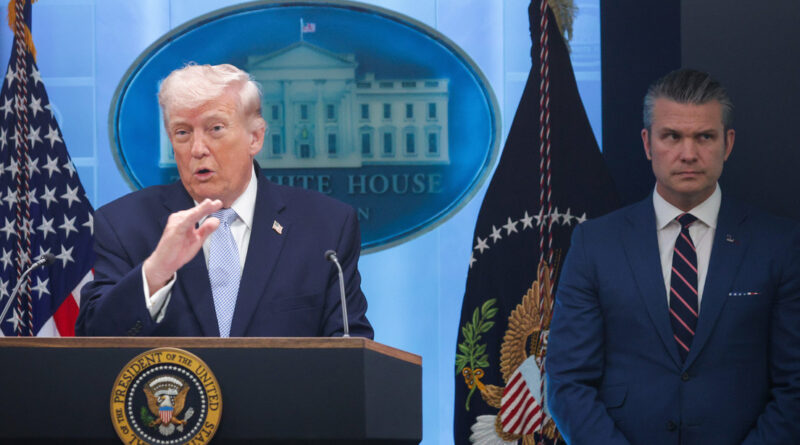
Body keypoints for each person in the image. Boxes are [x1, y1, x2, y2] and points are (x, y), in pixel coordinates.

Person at [546, 69, 800, 444]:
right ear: (648, 143)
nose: (688, 154)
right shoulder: (594, 244)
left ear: (728, 143)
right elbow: (568, 383)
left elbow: (795, 387)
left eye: (704, 137)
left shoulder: (779, 244)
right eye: (672, 137)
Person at [76, 64, 372, 338]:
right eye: (182, 132)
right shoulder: (123, 225)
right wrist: (155, 273)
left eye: (215, 128)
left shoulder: (326, 227)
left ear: (255, 138)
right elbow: (93, 340)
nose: (197, 149)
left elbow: (351, 348)